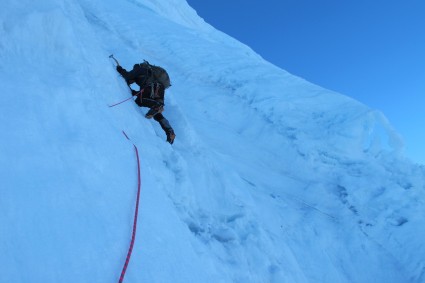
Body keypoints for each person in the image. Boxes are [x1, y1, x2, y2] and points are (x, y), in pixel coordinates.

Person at [116, 62, 176, 144]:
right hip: (160, 89)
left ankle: (156, 105)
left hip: (151, 87)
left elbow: (128, 76)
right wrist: (133, 92)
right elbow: (140, 91)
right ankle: (169, 131)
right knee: (156, 113)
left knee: (139, 101)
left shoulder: (139, 69)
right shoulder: (151, 74)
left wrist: (120, 69)